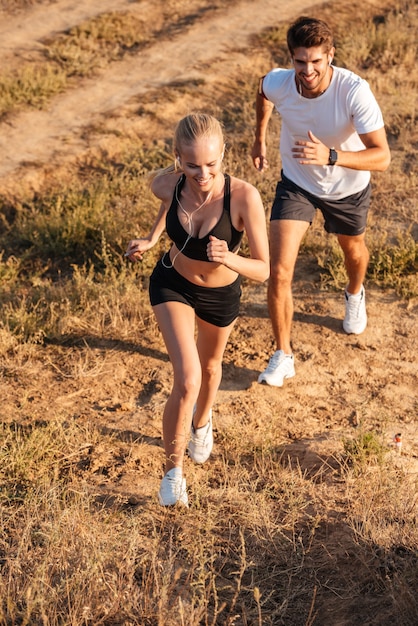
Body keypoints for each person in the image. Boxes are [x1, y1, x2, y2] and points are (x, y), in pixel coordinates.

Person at [126, 113, 269, 506]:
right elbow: (169, 203)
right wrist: (153, 238)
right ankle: (173, 474)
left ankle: (202, 423)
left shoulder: (243, 197)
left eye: (211, 164)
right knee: (188, 378)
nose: (202, 174)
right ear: (178, 159)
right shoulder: (169, 183)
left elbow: (263, 268)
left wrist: (230, 258)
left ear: (224, 153)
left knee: (209, 369)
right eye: (191, 166)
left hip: (220, 297)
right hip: (172, 282)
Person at [251, 16, 390, 388]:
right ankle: (283, 354)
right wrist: (260, 138)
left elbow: (382, 157)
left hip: (347, 185)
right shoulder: (281, 82)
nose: (308, 70)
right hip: (297, 183)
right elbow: (262, 92)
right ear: (291, 59)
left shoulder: (353, 91)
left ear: (331, 56)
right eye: (300, 61)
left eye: (316, 61)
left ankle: (354, 292)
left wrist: (331, 156)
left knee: (353, 251)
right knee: (279, 271)